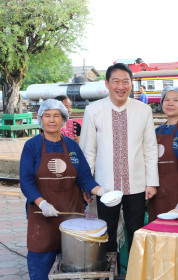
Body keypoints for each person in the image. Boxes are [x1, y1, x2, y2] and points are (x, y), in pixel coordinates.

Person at [20, 99, 106, 280]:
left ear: (64, 119)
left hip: (72, 214)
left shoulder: (72, 146)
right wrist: (42, 204)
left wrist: (100, 191)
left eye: (56, 116)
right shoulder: (32, 146)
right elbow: (26, 181)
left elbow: (84, 177)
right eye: (47, 116)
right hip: (42, 215)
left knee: (73, 267)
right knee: (41, 264)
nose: (52, 120)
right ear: (40, 119)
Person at [80, 63, 159, 251]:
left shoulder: (143, 110)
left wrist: (151, 182)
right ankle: (108, 274)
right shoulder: (93, 110)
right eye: (116, 81)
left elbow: (150, 148)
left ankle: (134, 273)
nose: (121, 87)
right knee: (106, 233)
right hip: (104, 186)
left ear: (131, 84)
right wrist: (86, 184)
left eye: (126, 82)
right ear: (107, 84)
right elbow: (88, 151)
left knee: (136, 231)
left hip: (137, 185)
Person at [149, 86, 178, 222]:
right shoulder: (158, 130)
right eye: (166, 100)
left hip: (177, 195)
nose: (170, 103)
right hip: (157, 194)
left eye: (175, 100)